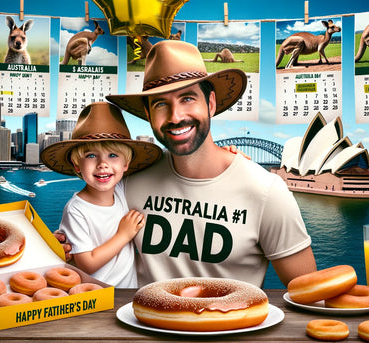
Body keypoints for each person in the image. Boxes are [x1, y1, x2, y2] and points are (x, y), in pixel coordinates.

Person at [59, 40, 317, 288]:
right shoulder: (130, 179)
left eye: (188, 98)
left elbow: (310, 293)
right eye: (161, 104)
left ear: (211, 104)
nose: (176, 116)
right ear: (148, 114)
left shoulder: (266, 192)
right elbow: (91, 217)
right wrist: (62, 244)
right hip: (138, 327)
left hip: (228, 330)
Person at [41, 102, 161, 288]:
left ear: (126, 164)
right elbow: (87, 264)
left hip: (127, 293)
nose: (102, 164)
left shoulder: (121, 190)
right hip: (97, 295)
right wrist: (124, 235)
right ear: (76, 166)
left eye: (113, 155)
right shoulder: (76, 209)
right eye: (91, 156)